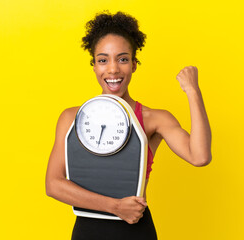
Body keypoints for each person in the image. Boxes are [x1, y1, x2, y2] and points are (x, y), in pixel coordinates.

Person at [45, 11, 212, 240]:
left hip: (135, 233)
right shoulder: (71, 118)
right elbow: (53, 184)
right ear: (94, 65)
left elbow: (199, 156)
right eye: (103, 60)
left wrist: (193, 91)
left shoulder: (154, 119)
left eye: (122, 59)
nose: (113, 69)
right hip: (87, 233)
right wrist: (115, 206)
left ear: (134, 64)